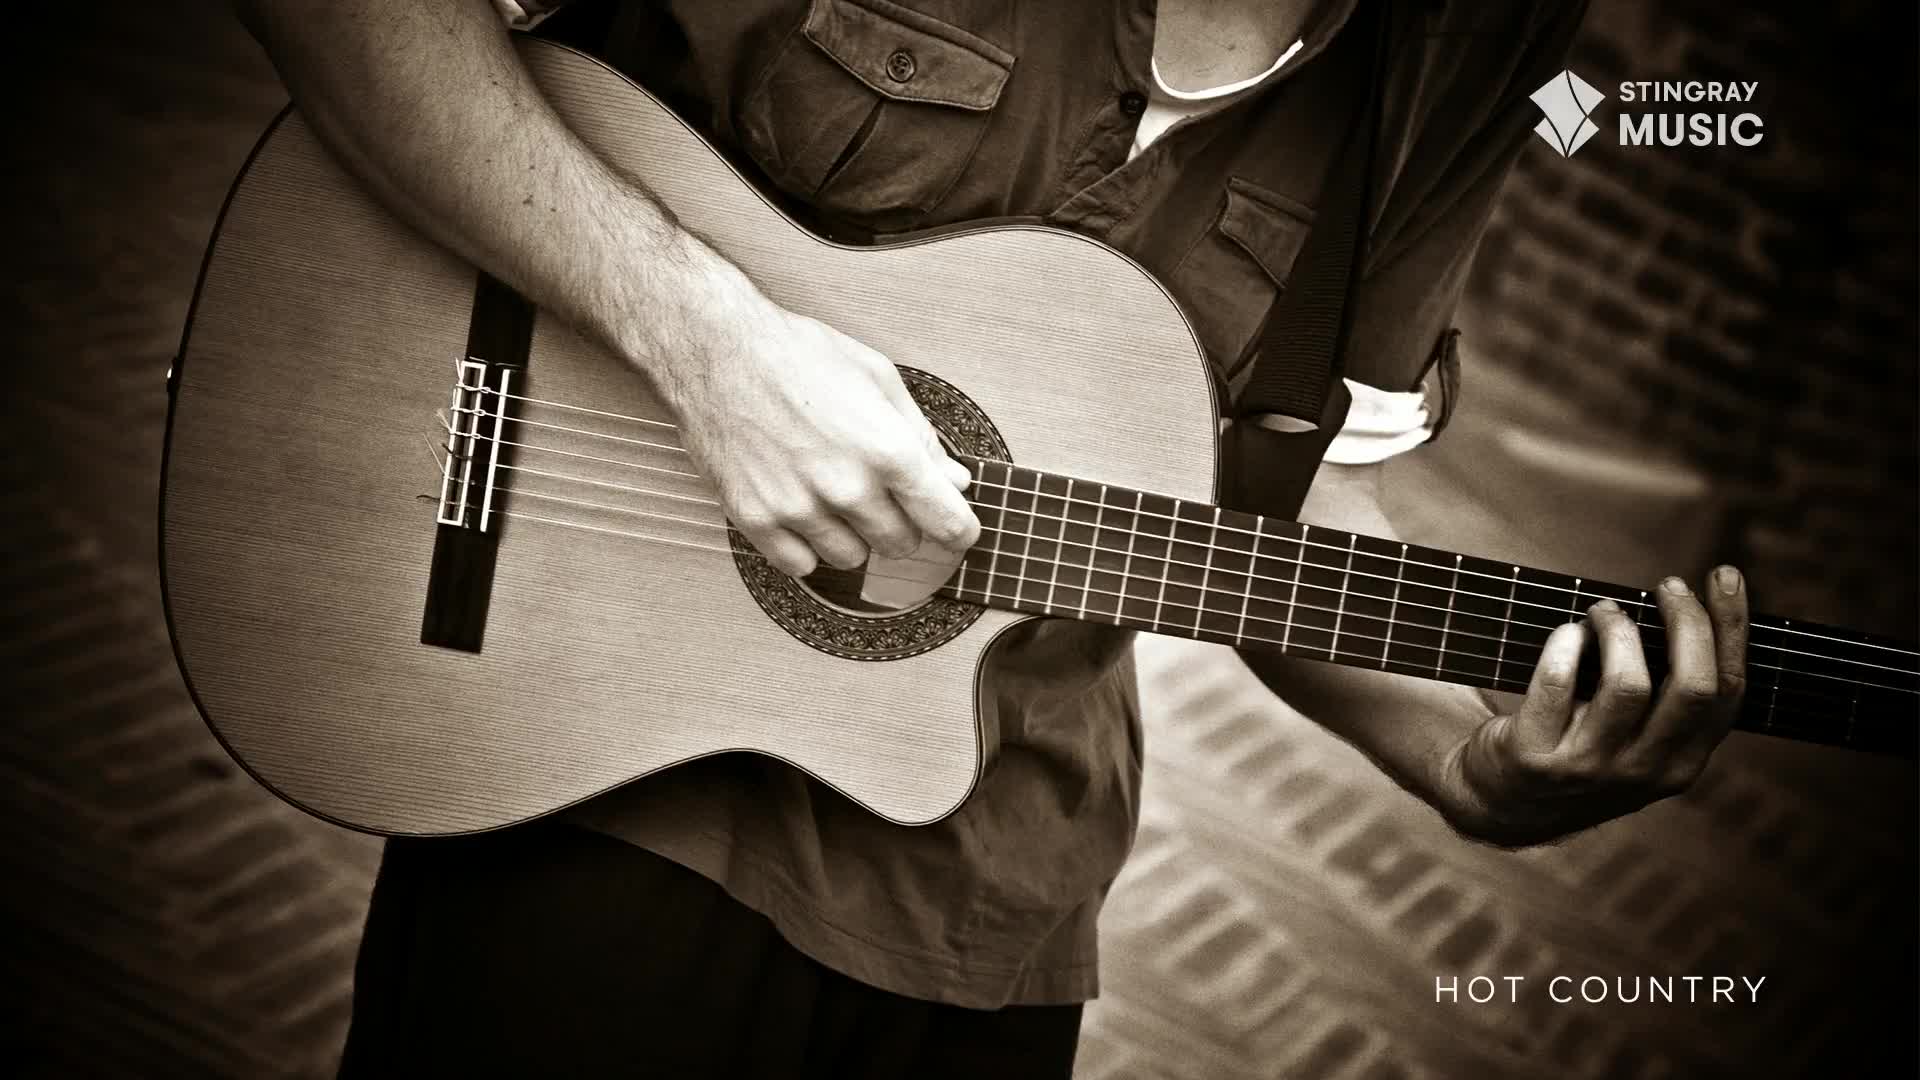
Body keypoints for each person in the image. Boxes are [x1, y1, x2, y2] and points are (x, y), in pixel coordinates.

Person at [235, 1, 1751, 1075]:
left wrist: (1467, 769)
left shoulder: (1473, 47)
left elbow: (1271, 509)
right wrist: (710, 348)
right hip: (598, 781)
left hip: (994, 906)